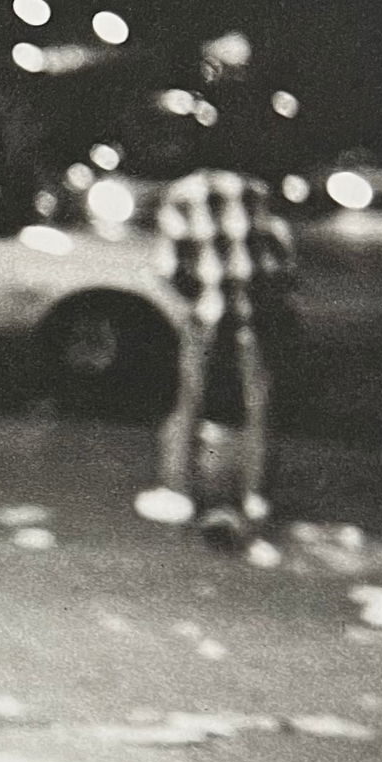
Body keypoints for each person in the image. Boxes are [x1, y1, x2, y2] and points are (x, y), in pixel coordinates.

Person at [135, 153, 297, 531]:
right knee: (259, 404)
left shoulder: (181, 194)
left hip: (206, 315)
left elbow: (170, 267)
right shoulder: (255, 190)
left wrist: (196, 295)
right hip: (255, 314)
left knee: (190, 399)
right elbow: (280, 256)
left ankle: (180, 493)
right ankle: (255, 497)